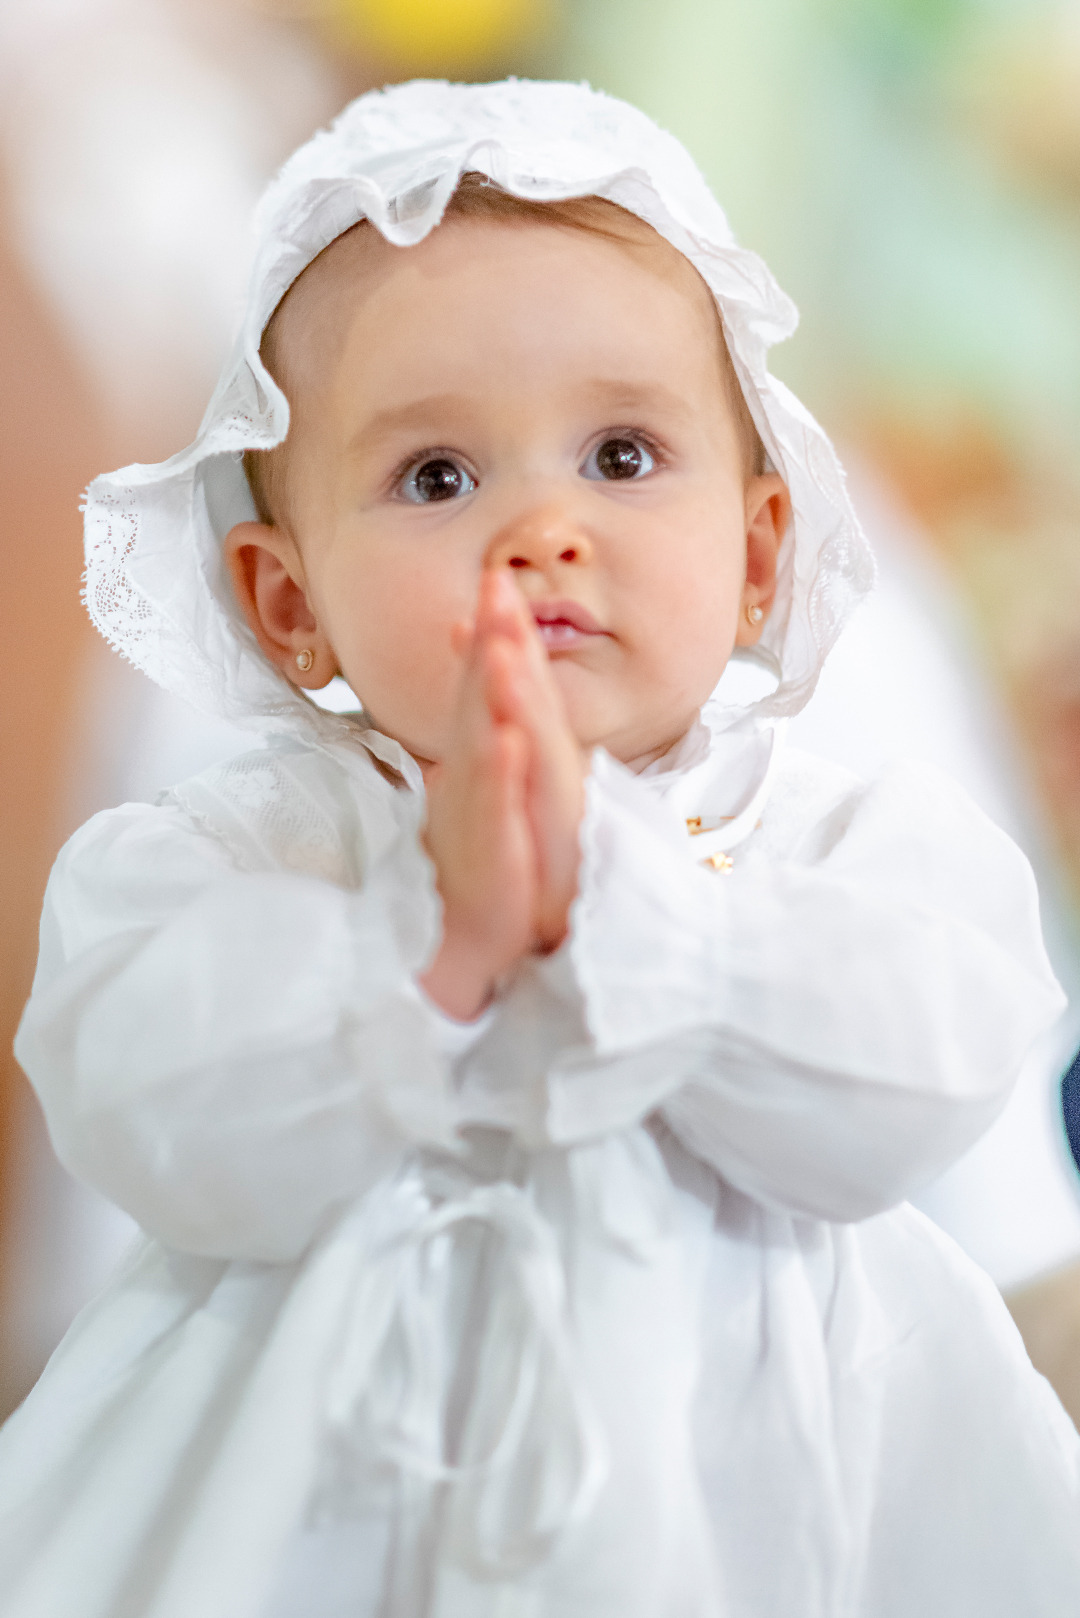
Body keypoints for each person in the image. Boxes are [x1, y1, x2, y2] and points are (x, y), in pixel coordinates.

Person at [3, 78, 1079, 1618]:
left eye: (624, 456)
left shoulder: (830, 830)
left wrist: (638, 920)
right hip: (327, 1508)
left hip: (786, 1512)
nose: (542, 530)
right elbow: (136, 1099)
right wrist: (423, 955)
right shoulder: (260, 851)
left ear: (760, 548)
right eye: (437, 477)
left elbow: (923, 1078)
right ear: (284, 601)